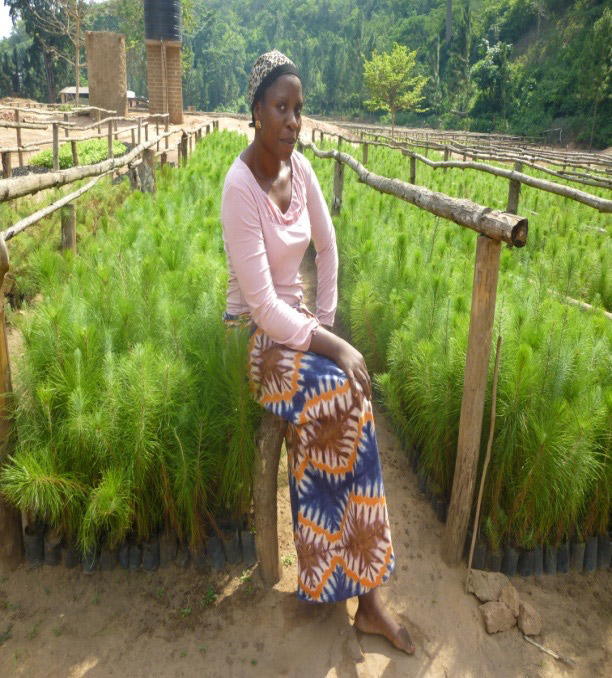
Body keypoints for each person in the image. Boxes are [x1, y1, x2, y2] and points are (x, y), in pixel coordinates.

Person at [220, 49, 414, 655]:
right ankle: (328, 581)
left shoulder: (300, 170)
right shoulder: (239, 187)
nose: (292, 121)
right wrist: (331, 342)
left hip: (298, 329)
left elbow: (327, 251)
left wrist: (323, 323)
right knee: (333, 390)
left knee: (352, 396)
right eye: (281, 108)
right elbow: (260, 307)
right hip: (253, 340)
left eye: (299, 110)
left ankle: (368, 597)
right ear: (255, 112)